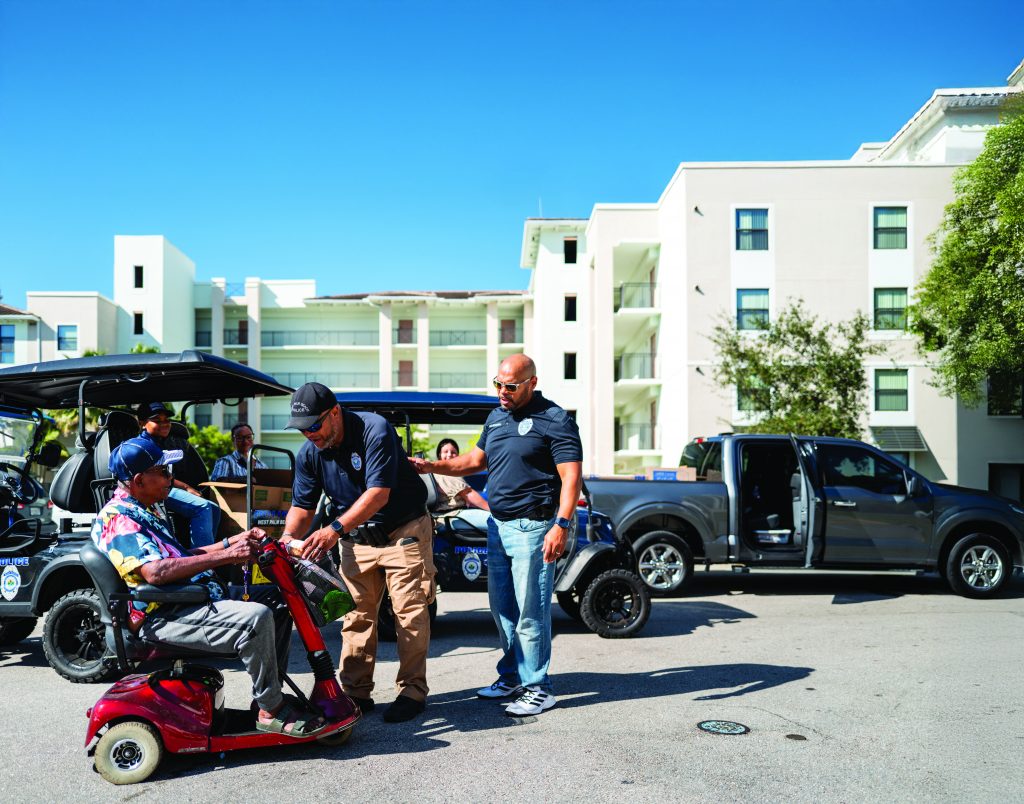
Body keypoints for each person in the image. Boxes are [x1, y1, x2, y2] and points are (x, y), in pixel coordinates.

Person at [92, 435, 325, 737]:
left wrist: (232, 542)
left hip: (188, 599)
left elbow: (179, 557)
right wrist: (227, 556)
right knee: (255, 617)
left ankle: (269, 698)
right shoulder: (121, 519)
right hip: (165, 614)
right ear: (138, 480)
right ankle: (272, 710)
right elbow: (157, 572)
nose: (170, 478)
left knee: (277, 599)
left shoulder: (145, 508)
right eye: (163, 472)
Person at [410, 354, 582, 717]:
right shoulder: (497, 416)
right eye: (498, 384)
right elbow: (473, 461)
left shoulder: (555, 420)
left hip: (535, 527)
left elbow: (570, 477)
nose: (502, 392)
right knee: (503, 609)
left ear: (532, 383)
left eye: (511, 386)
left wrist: (561, 525)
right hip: (499, 526)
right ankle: (514, 676)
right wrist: (430, 466)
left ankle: (539, 687)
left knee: (531, 611)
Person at [279, 382, 434, 723]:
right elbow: (302, 506)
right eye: (302, 430)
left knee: (408, 615)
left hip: (403, 532)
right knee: (356, 618)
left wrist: (333, 529)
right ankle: (356, 693)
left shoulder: (374, 430)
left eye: (314, 426)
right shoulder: (310, 453)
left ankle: (412, 692)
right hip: (356, 540)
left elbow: (378, 493)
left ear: (334, 413)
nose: (309, 435)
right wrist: (288, 538)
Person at [136, 402, 221, 547]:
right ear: (142, 423)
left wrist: (187, 487)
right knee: (203, 507)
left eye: (166, 420)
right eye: (157, 420)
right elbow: (158, 478)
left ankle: (207, 551)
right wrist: (187, 488)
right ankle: (201, 564)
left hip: (166, 487)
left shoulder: (164, 442)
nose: (164, 424)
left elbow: (167, 474)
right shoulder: (143, 445)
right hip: (154, 490)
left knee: (214, 508)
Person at [429, 439, 489, 513]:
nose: (449, 455)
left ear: (458, 456)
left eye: (453, 452)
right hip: (452, 514)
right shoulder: (445, 473)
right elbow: (468, 493)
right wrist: (493, 511)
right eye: (445, 452)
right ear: (439, 455)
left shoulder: (437, 472)